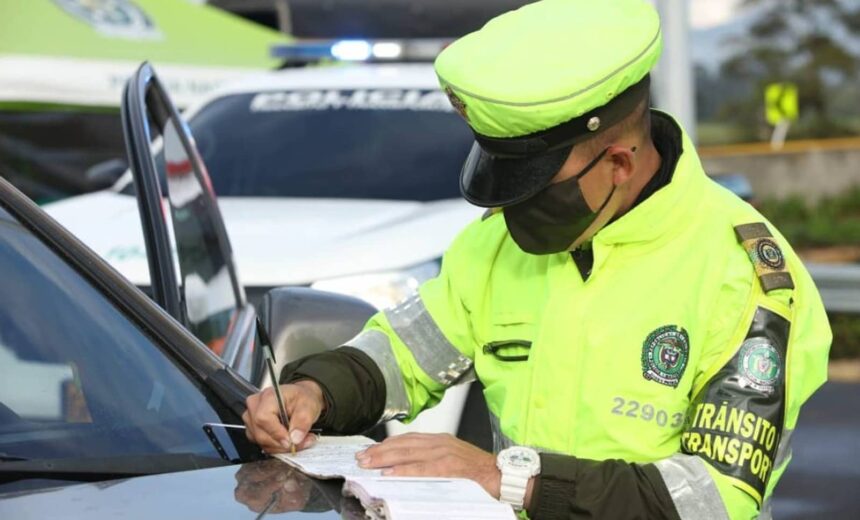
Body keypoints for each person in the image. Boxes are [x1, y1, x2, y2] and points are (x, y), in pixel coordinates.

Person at [243, 1, 832, 518]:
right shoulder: (496, 245)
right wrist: (317, 390)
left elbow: (709, 501)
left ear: (619, 164)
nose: (513, 209)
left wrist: (509, 479)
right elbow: (405, 352)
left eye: (535, 186)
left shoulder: (745, 280)